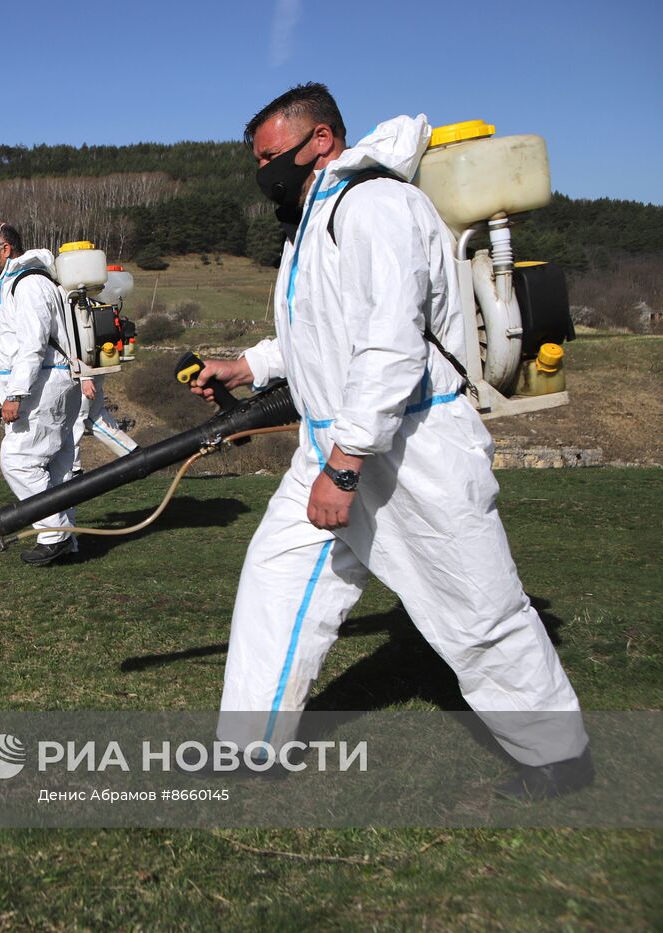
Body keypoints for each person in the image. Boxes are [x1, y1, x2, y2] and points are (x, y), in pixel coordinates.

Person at [192, 84, 592, 799]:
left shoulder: (375, 207)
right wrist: (249, 365)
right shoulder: (315, 218)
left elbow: (388, 347)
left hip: (410, 450)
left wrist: (343, 469)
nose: (263, 172)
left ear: (320, 140)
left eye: (269, 156)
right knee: (275, 581)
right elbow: (315, 331)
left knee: (474, 608)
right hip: (334, 444)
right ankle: (248, 749)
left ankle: (558, 754)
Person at [0, 222, 82, 566]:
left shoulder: (29, 283)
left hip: (41, 390)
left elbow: (34, 345)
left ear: (5, 249)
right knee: (58, 467)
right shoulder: (17, 281)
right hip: (51, 383)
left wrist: (15, 394)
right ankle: (68, 540)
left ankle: (54, 535)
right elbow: (17, 337)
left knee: (19, 460)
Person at [71, 375, 138, 475]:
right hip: (88, 373)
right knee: (95, 417)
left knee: (73, 421)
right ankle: (134, 453)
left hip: (79, 376)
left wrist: (86, 377)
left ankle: (73, 471)